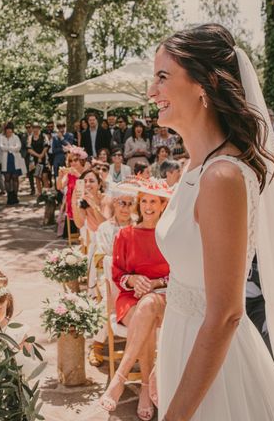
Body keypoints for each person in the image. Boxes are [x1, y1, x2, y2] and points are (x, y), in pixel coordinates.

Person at [148, 24, 274, 420]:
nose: (152, 91)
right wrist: (163, 361)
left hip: (220, 371)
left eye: (163, 77)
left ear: (203, 84)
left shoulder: (222, 177)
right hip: (184, 346)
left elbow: (226, 313)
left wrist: (175, 416)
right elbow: (186, 280)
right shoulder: (196, 168)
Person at [100, 179, 172, 420]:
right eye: (144, 201)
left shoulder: (170, 236)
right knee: (146, 318)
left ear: (163, 205)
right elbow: (117, 273)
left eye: (153, 201)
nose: (148, 206)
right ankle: (144, 388)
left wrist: (155, 283)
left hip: (164, 297)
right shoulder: (125, 234)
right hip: (130, 299)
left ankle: (119, 379)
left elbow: (181, 273)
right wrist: (133, 280)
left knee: (150, 304)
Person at [87, 187, 136, 367]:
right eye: (122, 203)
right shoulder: (105, 228)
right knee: (107, 301)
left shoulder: (138, 224)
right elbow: (101, 257)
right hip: (110, 276)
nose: (126, 208)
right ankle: (97, 344)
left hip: (136, 276)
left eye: (130, 204)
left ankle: (143, 343)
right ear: (115, 203)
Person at [0, 122, 26, 205]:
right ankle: (9, 196)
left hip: (15, 159)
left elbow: (18, 147)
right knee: (7, 178)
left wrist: (8, 148)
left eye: (10, 131)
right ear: (5, 131)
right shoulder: (1, 137)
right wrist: (11, 148)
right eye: (7, 131)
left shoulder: (16, 137)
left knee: (15, 177)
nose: (9, 132)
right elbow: (1, 147)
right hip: (5, 159)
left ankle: (15, 195)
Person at [27, 123, 49, 197]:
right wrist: (38, 156)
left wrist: (41, 155)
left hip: (44, 158)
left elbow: (46, 146)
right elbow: (29, 149)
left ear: (39, 128)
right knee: (37, 177)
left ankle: (46, 194)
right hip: (35, 160)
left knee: (44, 176)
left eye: (37, 128)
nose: (35, 129)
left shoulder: (44, 136)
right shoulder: (30, 137)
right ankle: (40, 194)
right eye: (34, 128)